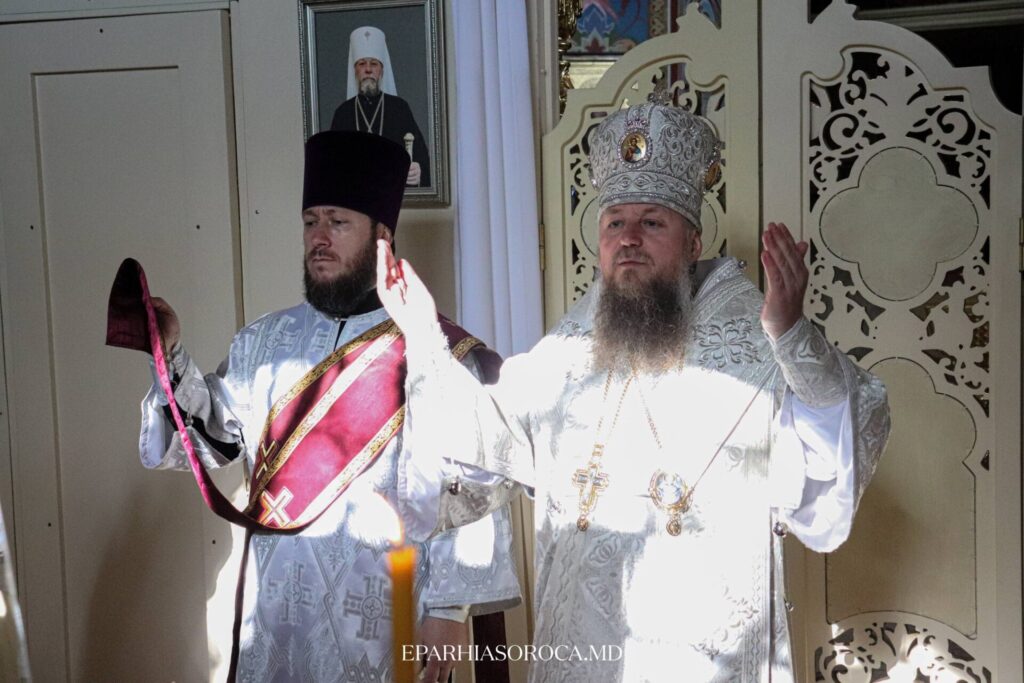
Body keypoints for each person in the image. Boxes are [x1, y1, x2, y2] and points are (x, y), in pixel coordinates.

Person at [378, 101, 891, 681]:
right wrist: (424, 341)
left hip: (705, 655)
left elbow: (843, 450)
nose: (628, 239)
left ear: (693, 242)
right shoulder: (571, 343)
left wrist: (793, 335)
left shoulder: (756, 338)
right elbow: (486, 445)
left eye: (651, 223)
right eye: (614, 223)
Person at [138, 131, 519, 682]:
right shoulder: (263, 342)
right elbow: (211, 442)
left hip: (387, 612)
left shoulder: (433, 348)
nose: (319, 238)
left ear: (382, 237)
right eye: (310, 221)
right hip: (275, 615)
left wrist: (448, 609)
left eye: (338, 222)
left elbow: (473, 486)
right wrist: (170, 354)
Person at [330, 26, 431, 188]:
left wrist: (419, 170)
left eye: (374, 64)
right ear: (355, 70)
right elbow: (332, 165)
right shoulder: (343, 113)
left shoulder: (399, 108)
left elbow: (422, 158)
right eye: (362, 64)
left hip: (392, 196)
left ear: (382, 70)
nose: (368, 69)